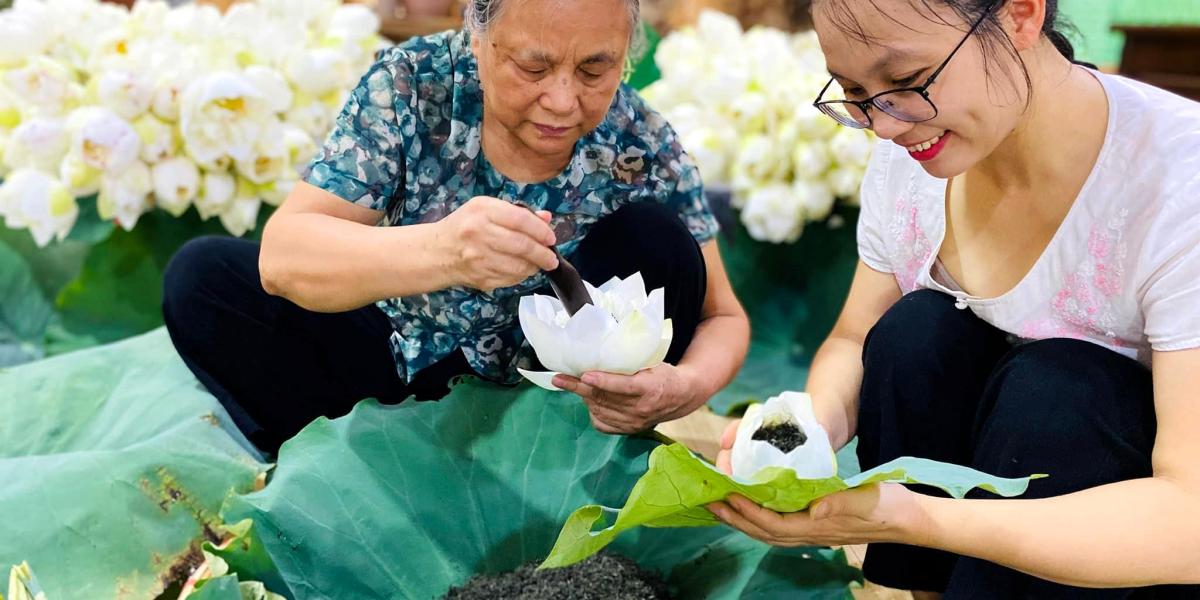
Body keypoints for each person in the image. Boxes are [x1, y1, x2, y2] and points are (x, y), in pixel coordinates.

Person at [706, 0, 1200, 597]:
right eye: (854, 92)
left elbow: (1188, 519)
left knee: (1059, 388)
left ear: (1021, 15)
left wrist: (917, 519)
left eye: (907, 82)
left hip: (1138, 548)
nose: (884, 125)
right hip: (976, 531)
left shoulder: (1177, 182)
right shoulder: (914, 155)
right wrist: (801, 434)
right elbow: (853, 337)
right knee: (916, 333)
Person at [162, 0, 749, 454]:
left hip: (544, 411)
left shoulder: (641, 141)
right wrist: (444, 251)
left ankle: (535, 472)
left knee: (656, 239)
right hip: (388, 368)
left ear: (627, 52)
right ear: (478, 34)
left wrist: (687, 387)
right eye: (533, 66)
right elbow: (285, 256)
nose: (563, 100)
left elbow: (722, 316)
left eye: (596, 68)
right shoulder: (413, 84)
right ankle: (358, 462)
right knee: (203, 277)